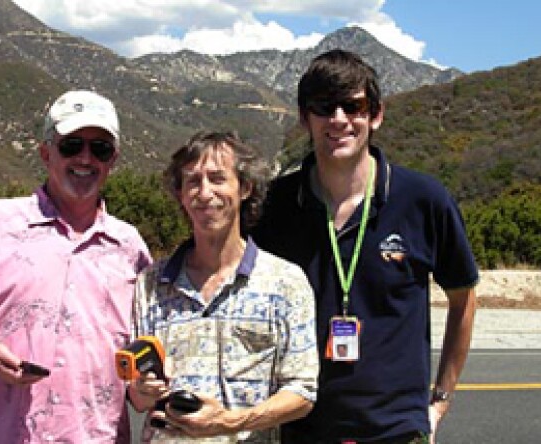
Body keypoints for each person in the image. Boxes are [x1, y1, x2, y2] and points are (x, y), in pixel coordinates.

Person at [250, 49, 479, 443]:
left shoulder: (423, 200)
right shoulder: (275, 205)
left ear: (375, 115)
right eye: (323, 107)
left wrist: (440, 399)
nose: (338, 119)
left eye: (352, 106)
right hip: (302, 428)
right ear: (306, 118)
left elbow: (464, 298)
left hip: (396, 430)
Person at [0, 90, 152, 443]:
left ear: (113, 160)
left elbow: (142, 349)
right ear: (46, 153)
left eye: (100, 148)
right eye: (71, 145)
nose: (85, 158)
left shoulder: (129, 247)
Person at [127, 131, 319, 443]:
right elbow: (136, 395)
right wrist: (141, 391)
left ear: (245, 187)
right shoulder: (151, 283)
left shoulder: (285, 283)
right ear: (179, 193)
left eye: (218, 178)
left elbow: (303, 392)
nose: (205, 193)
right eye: (192, 181)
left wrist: (229, 422)